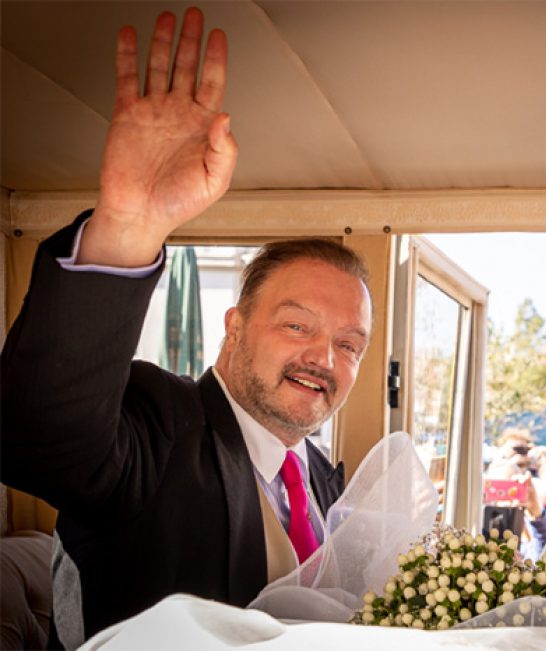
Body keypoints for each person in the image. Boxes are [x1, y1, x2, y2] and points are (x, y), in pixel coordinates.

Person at [0, 8, 371, 646]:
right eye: (297, 326)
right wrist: (128, 227)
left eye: (349, 345)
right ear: (235, 325)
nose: (324, 359)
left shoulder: (319, 473)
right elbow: (38, 436)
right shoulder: (157, 421)